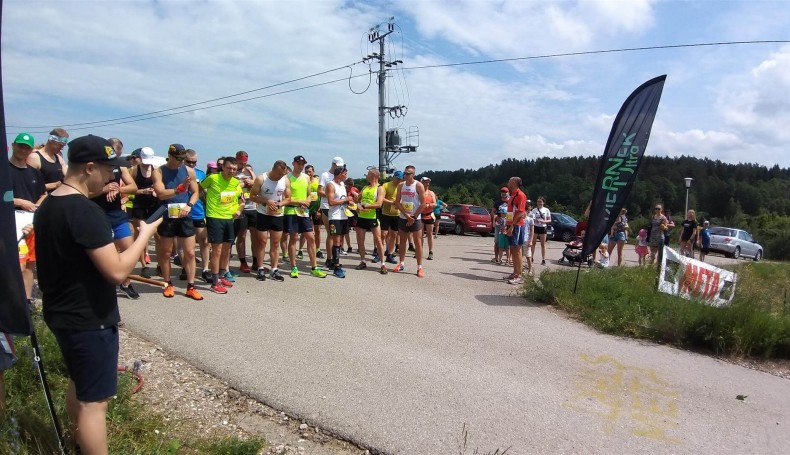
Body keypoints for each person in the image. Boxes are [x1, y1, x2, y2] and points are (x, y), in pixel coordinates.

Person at [34, 134, 162, 454]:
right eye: (108, 170)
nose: (112, 177)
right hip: (89, 318)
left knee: (79, 383)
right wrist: (142, 236)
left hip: (60, 312)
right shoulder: (85, 212)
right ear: (89, 168)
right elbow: (117, 272)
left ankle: (77, 442)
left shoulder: (49, 205)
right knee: (95, 403)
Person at [91, 138, 140, 299]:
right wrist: (103, 189)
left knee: (129, 249)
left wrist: (119, 189)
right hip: (98, 215)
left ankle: (125, 283)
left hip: (117, 215)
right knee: (103, 253)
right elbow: (84, 192)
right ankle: (103, 283)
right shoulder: (94, 166)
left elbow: (133, 187)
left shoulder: (120, 166)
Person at [151, 143, 202, 299]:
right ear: (170, 156)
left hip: (184, 214)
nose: (181, 162)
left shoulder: (189, 171)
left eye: (183, 159)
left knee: (190, 253)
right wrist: (178, 190)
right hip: (167, 214)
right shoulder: (159, 171)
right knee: (165, 253)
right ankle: (168, 283)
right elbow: (160, 194)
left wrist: (189, 205)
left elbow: (195, 193)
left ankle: (191, 286)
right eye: (178, 159)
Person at [201, 157, 243, 294]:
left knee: (227, 250)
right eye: (229, 168)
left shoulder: (236, 182)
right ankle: (214, 281)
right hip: (214, 217)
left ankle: (222, 275)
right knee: (217, 250)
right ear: (223, 167)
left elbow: (241, 200)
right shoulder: (212, 178)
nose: (232, 171)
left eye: (234, 169)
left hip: (229, 219)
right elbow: (198, 189)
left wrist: (238, 210)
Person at [283, 155, 327, 278]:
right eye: (298, 163)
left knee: (311, 238)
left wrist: (307, 201)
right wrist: (299, 202)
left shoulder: (306, 177)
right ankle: (293, 267)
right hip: (291, 211)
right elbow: (286, 198)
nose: (300, 166)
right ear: (293, 163)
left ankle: (314, 267)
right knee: (293, 238)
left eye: (302, 164)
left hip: (304, 211)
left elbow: (309, 194)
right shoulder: (287, 178)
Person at [250, 160, 290, 282]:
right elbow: (252, 196)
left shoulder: (285, 180)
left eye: (283, 174)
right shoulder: (261, 179)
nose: (280, 176)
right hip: (263, 213)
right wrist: (267, 201)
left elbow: (288, 198)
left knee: (275, 243)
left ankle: (274, 269)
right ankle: (261, 268)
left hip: (277, 215)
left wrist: (279, 205)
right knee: (261, 242)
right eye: (279, 174)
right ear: (273, 169)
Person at [184, 149, 212, 283]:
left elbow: (207, 193)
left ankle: (205, 269)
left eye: (194, 162)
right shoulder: (178, 173)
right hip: (182, 212)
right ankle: (186, 268)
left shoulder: (201, 174)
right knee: (186, 245)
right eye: (188, 162)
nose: (191, 165)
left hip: (199, 212)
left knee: (204, 242)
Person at [393, 165, 426, 277]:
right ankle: (401, 263)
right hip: (404, 217)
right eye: (404, 173)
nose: (405, 175)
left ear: (413, 174)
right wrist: (406, 215)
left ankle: (419, 267)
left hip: (415, 218)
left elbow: (423, 204)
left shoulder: (418, 185)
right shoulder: (401, 185)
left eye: (408, 173)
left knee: (417, 242)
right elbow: (397, 202)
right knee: (402, 241)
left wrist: (414, 217)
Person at [354, 168, 388, 274]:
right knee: (360, 240)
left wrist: (367, 206)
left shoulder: (380, 188)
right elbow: (358, 200)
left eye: (368, 174)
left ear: (374, 175)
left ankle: (383, 264)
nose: (367, 176)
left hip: (373, 217)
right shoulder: (365, 187)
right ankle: (363, 261)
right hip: (361, 217)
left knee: (378, 240)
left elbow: (379, 204)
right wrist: (357, 203)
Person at [234, 151, 259, 273]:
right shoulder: (233, 171)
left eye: (245, 162)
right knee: (242, 236)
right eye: (241, 162)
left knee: (255, 236)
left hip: (253, 206)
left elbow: (258, 183)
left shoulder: (249, 171)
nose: (243, 164)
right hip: (241, 207)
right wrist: (244, 183)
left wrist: (252, 179)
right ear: (236, 159)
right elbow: (231, 185)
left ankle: (256, 261)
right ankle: (243, 262)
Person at [325, 165, 351, 278]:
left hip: (343, 216)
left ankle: (334, 262)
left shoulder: (342, 185)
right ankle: (336, 266)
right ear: (340, 174)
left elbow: (342, 200)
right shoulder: (331, 185)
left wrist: (348, 202)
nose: (346, 175)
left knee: (340, 242)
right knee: (336, 241)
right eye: (345, 173)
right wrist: (345, 199)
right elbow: (331, 202)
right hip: (335, 217)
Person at [318, 157, 344, 267]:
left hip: (338, 208)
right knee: (331, 234)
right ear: (333, 164)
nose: (340, 168)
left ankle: (335, 258)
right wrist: (330, 195)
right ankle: (329, 258)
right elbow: (319, 191)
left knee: (338, 235)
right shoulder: (325, 175)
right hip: (327, 206)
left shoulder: (341, 180)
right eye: (338, 166)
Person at [26, 127, 69, 192]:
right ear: (51, 140)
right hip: (41, 200)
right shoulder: (34, 158)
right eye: (60, 145)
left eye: (64, 145)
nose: (62, 148)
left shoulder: (59, 158)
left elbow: (68, 177)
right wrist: (54, 185)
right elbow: (28, 185)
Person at [505, 177, 528, 285]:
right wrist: (507, 224)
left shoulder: (520, 195)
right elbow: (510, 212)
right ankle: (515, 272)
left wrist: (512, 225)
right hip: (511, 224)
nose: (508, 182)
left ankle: (519, 275)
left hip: (517, 226)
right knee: (513, 250)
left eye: (510, 181)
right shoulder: (512, 195)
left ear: (514, 183)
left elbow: (520, 213)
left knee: (517, 250)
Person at [380, 170, 402, 264]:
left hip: (397, 214)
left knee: (394, 235)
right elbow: (381, 198)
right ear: (393, 177)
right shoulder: (386, 185)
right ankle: (378, 253)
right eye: (397, 178)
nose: (398, 181)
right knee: (383, 234)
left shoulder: (402, 186)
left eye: (400, 179)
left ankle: (390, 254)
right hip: (386, 213)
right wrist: (392, 202)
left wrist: (400, 204)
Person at [304, 164, 323, 259]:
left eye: (310, 171)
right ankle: (300, 250)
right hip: (306, 209)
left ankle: (318, 249)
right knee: (306, 231)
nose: (308, 173)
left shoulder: (318, 181)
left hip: (316, 209)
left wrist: (319, 209)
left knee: (318, 230)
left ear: (313, 172)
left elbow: (320, 196)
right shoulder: (303, 181)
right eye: (306, 172)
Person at [419, 177, 437, 260]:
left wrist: (428, 205)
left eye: (428, 182)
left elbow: (435, 204)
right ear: (421, 183)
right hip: (420, 215)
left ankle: (431, 251)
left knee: (429, 234)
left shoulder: (431, 193)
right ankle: (419, 251)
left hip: (429, 215)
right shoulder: (418, 192)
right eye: (426, 182)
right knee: (420, 235)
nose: (427, 184)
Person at [529, 196, 551, 266]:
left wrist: (544, 221)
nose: (539, 203)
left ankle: (543, 259)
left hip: (543, 227)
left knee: (543, 244)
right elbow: (531, 218)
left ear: (543, 202)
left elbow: (550, 220)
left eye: (540, 201)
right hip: (535, 227)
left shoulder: (546, 210)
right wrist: (535, 220)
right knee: (533, 243)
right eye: (538, 201)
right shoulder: (534, 210)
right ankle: (531, 257)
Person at [492, 187, 509, 264]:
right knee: (497, 242)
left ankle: (509, 259)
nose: (503, 194)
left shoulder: (511, 202)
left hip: (508, 224)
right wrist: (496, 218)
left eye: (505, 193)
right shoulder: (497, 202)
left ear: (508, 193)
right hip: (499, 224)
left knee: (508, 243)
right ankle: (496, 257)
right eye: (502, 193)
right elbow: (492, 212)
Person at [521, 200, 535, 276]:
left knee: (528, 256)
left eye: (524, 211)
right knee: (521, 255)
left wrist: (531, 240)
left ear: (526, 211)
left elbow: (532, 231)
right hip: (520, 240)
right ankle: (521, 269)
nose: (523, 213)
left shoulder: (530, 220)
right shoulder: (519, 219)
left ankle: (530, 269)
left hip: (527, 240)